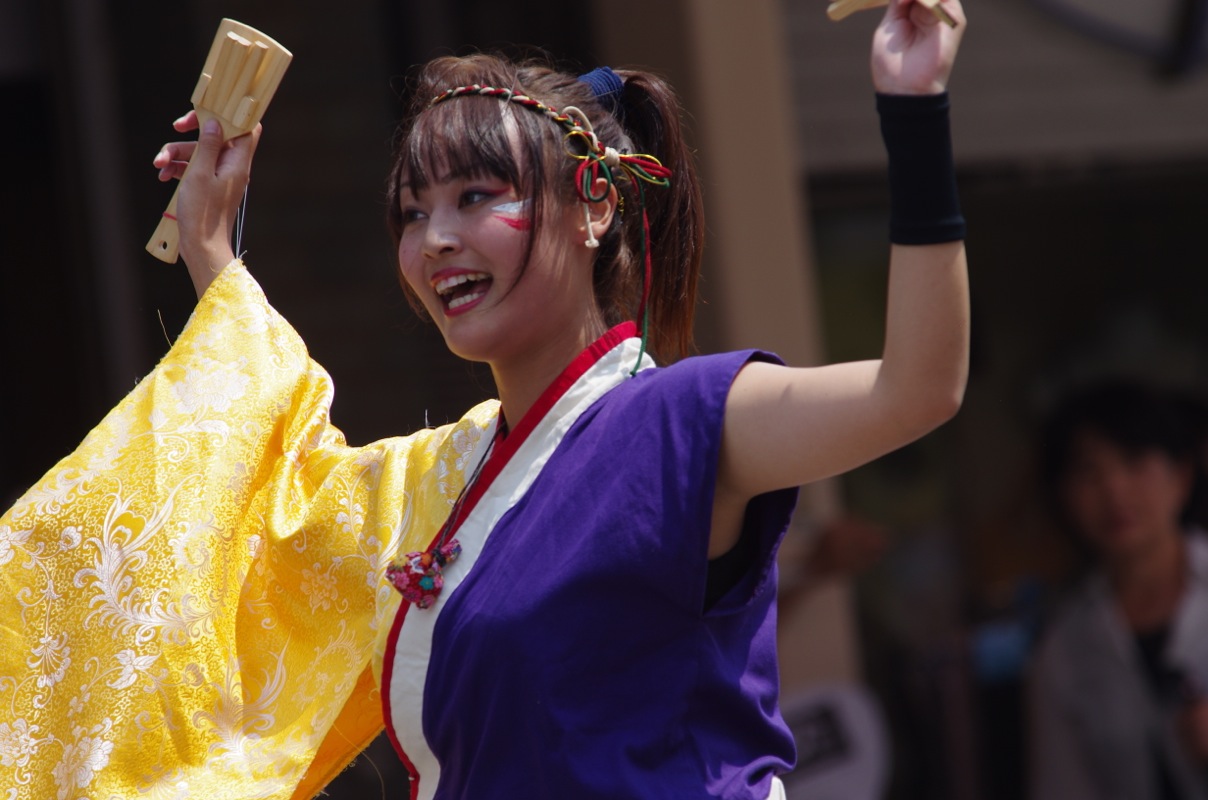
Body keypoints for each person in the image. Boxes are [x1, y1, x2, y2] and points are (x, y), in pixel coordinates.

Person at [0, 0, 968, 797]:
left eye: (474, 196)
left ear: (594, 204)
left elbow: (913, 387)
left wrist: (912, 112)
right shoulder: (443, 479)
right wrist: (213, 248)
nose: (434, 241)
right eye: (413, 212)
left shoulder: (675, 419)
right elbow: (282, 507)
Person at [1029, 379, 1208, 800]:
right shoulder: (1063, 651)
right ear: (1064, 497)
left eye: (1134, 461)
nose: (1114, 490)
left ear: (1180, 476)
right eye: (1088, 472)